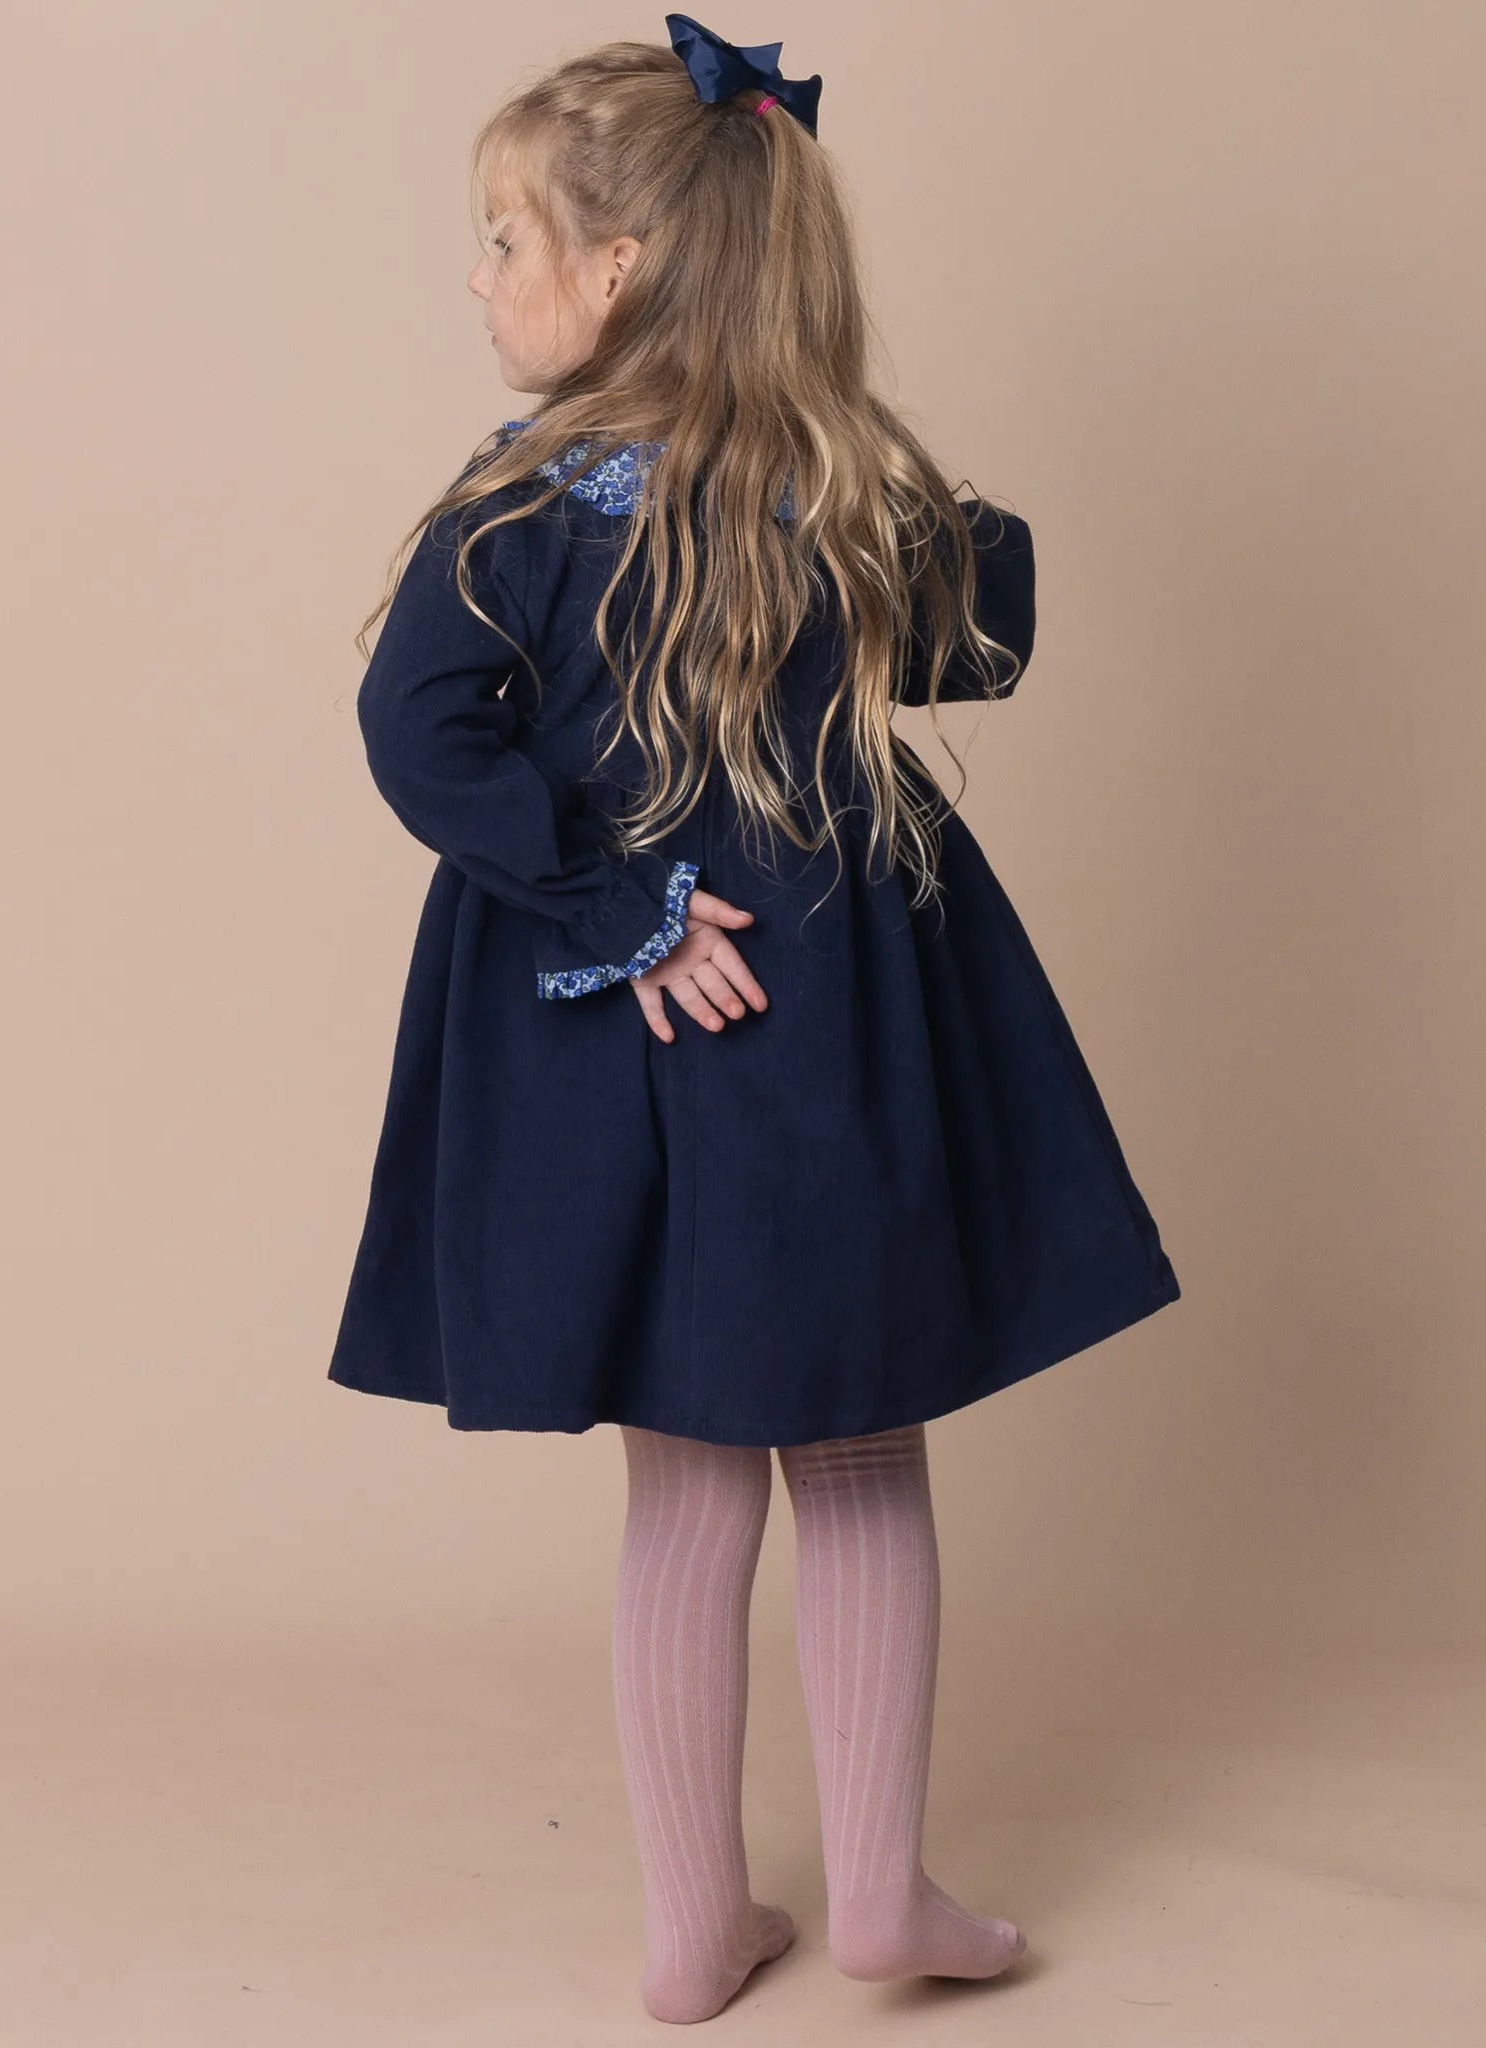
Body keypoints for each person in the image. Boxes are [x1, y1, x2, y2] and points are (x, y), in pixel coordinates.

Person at [327, 12, 1182, 2026]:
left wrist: (617, 898)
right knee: (861, 1449)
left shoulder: (526, 501)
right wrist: (834, 451)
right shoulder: (836, 480)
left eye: (503, 241)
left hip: (624, 1034)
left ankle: (693, 1931)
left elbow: (416, 730)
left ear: (612, 274)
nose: (479, 275)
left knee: (694, 1482)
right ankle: (881, 1897)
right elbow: (992, 629)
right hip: (839, 1024)